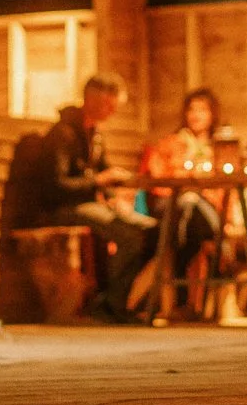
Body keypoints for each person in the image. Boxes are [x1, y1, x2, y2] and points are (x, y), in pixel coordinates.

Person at [33, 73, 157, 320]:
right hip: (63, 207)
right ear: (92, 99)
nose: (112, 111)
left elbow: (103, 172)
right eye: (109, 104)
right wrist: (99, 182)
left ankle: (123, 302)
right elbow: (55, 186)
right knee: (129, 235)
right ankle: (110, 306)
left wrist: (114, 195)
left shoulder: (94, 134)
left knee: (153, 229)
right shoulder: (63, 133)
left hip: (89, 204)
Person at [142, 87, 226, 276]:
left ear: (212, 114)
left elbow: (225, 187)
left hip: (206, 208)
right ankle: (221, 251)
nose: (196, 115)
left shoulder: (220, 148)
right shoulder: (171, 143)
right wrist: (185, 173)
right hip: (172, 205)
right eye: (191, 109)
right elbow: (157, 176)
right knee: (188, 206)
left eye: (202, 110)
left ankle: (186, 281)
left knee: (194, 210)